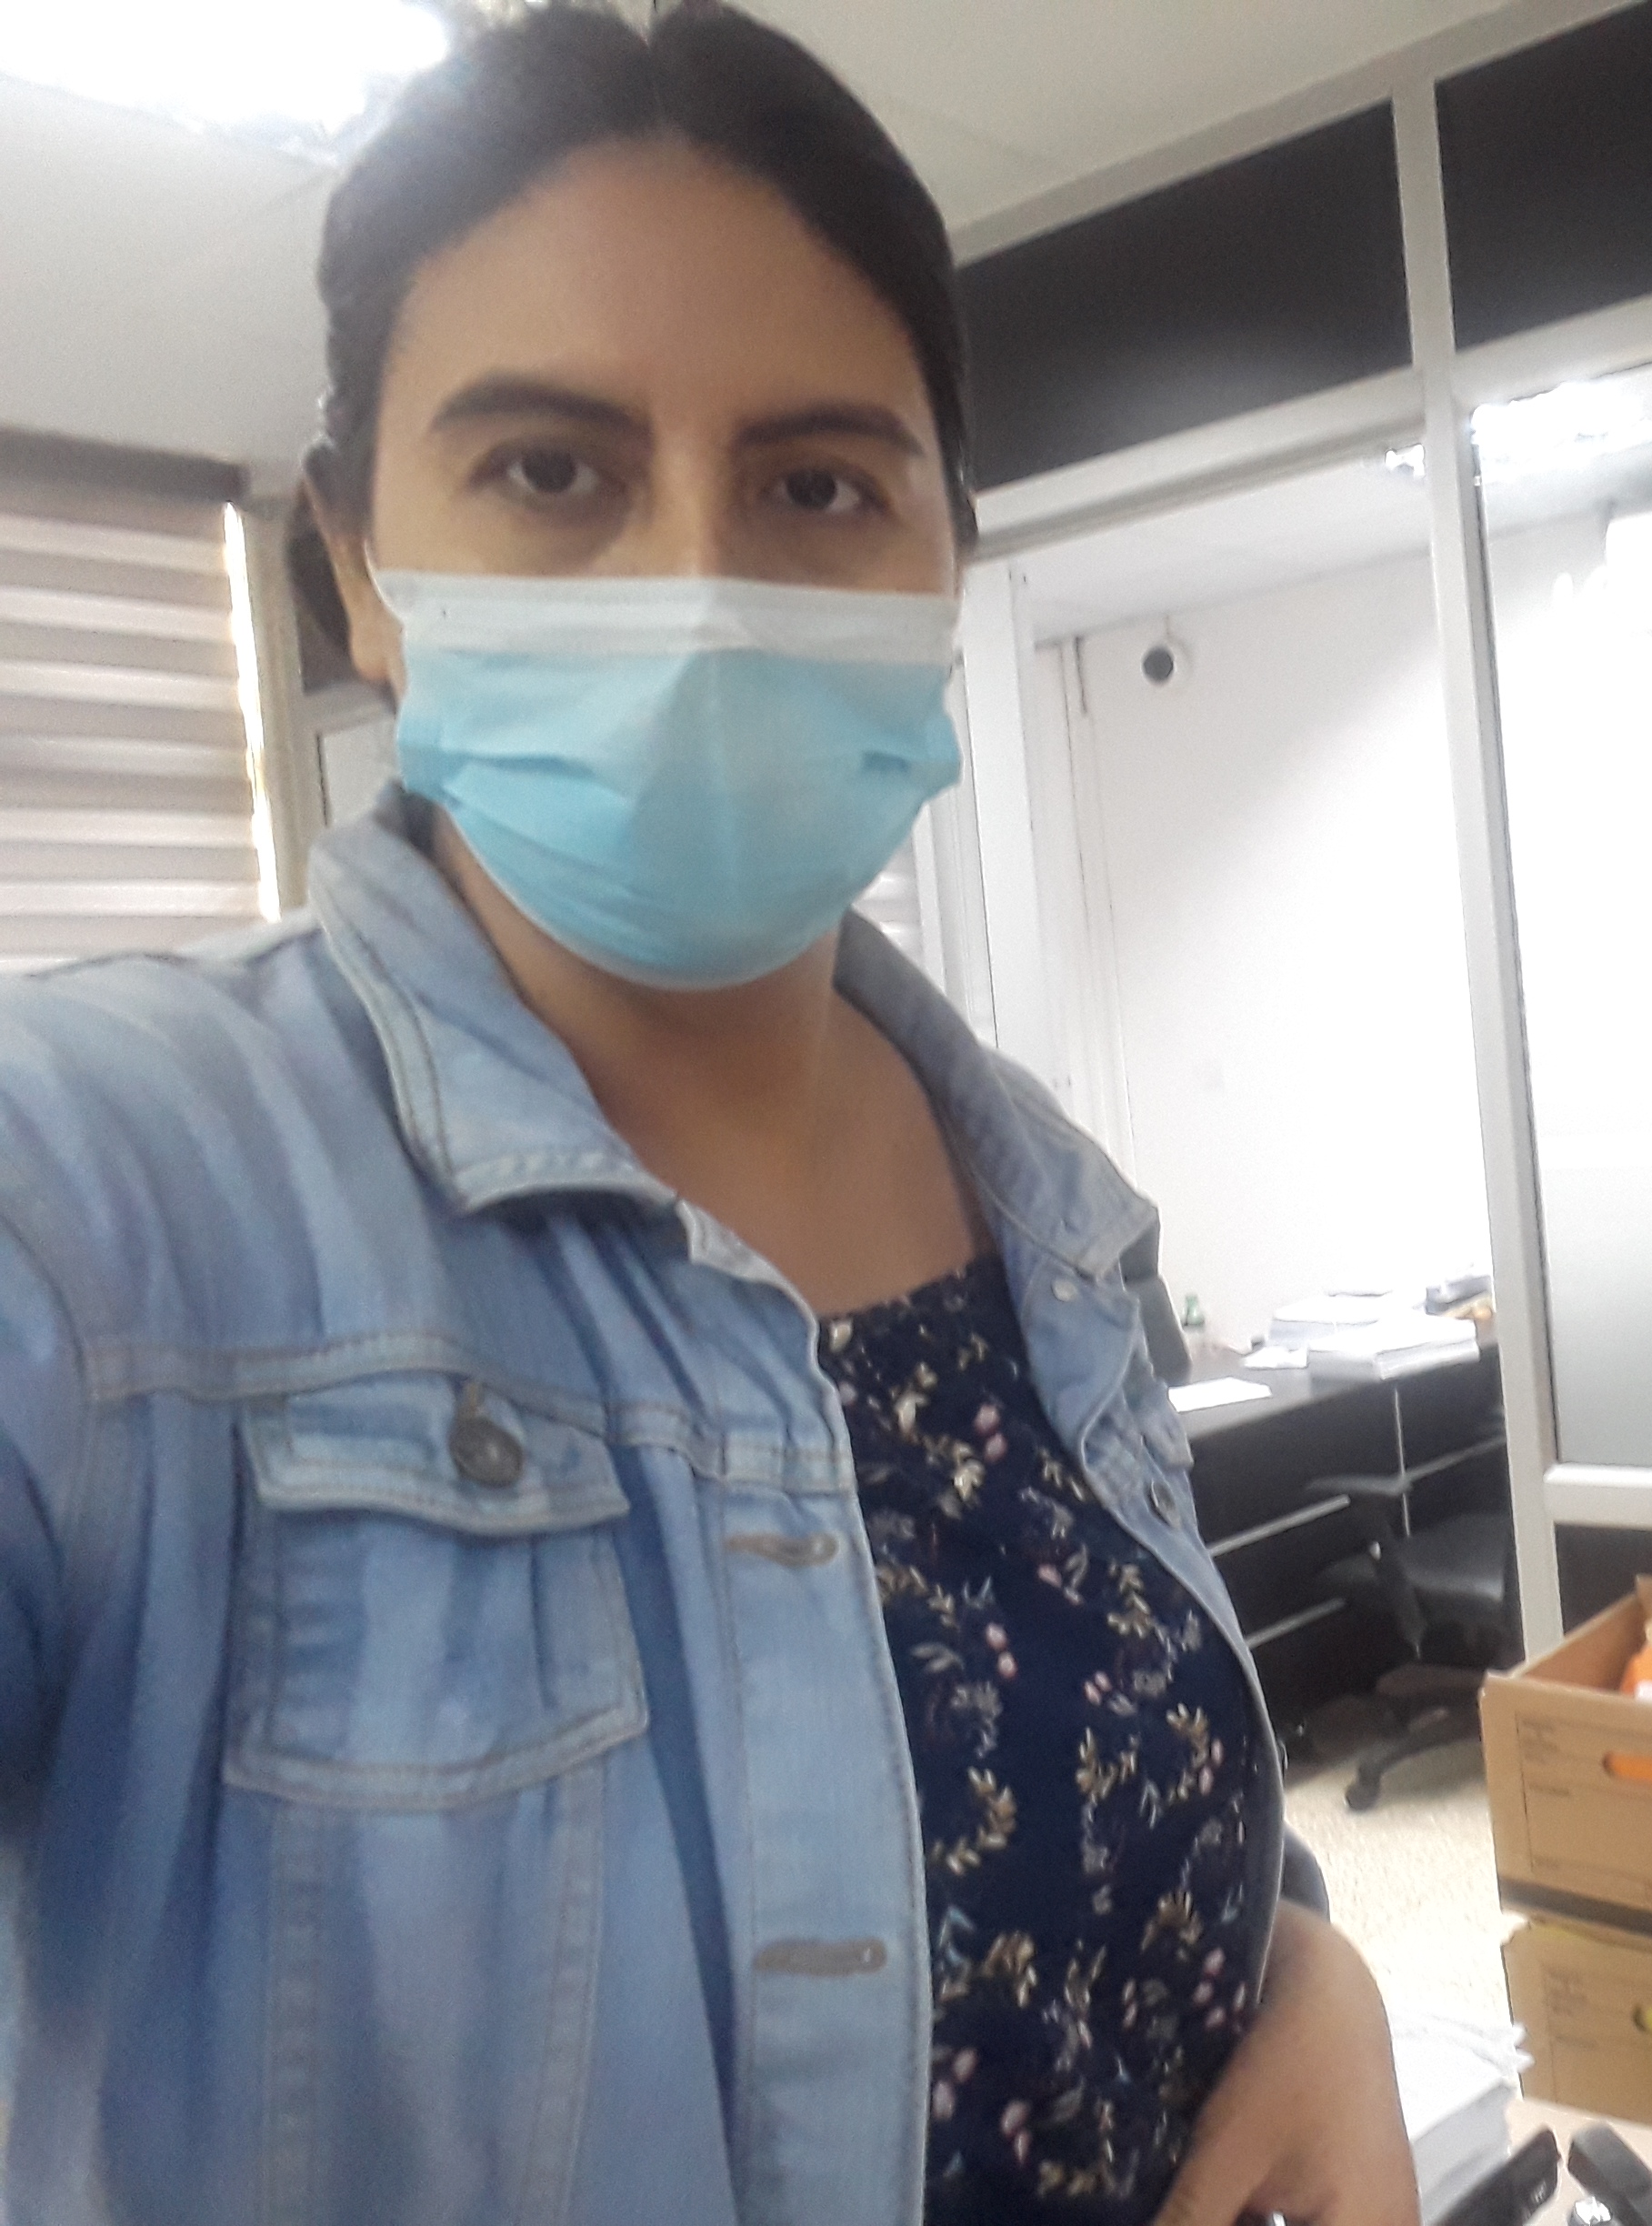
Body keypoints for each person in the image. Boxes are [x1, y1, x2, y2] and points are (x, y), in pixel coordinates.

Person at [0, 7, 1415, 2222]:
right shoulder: (98, 1197)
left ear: (945, 563)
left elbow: (1072, 1785)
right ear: (360, 569)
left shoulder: (1047, 1208)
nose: (691, 592)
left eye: (817, 485)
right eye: (552, 472)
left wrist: (1304, 1963)